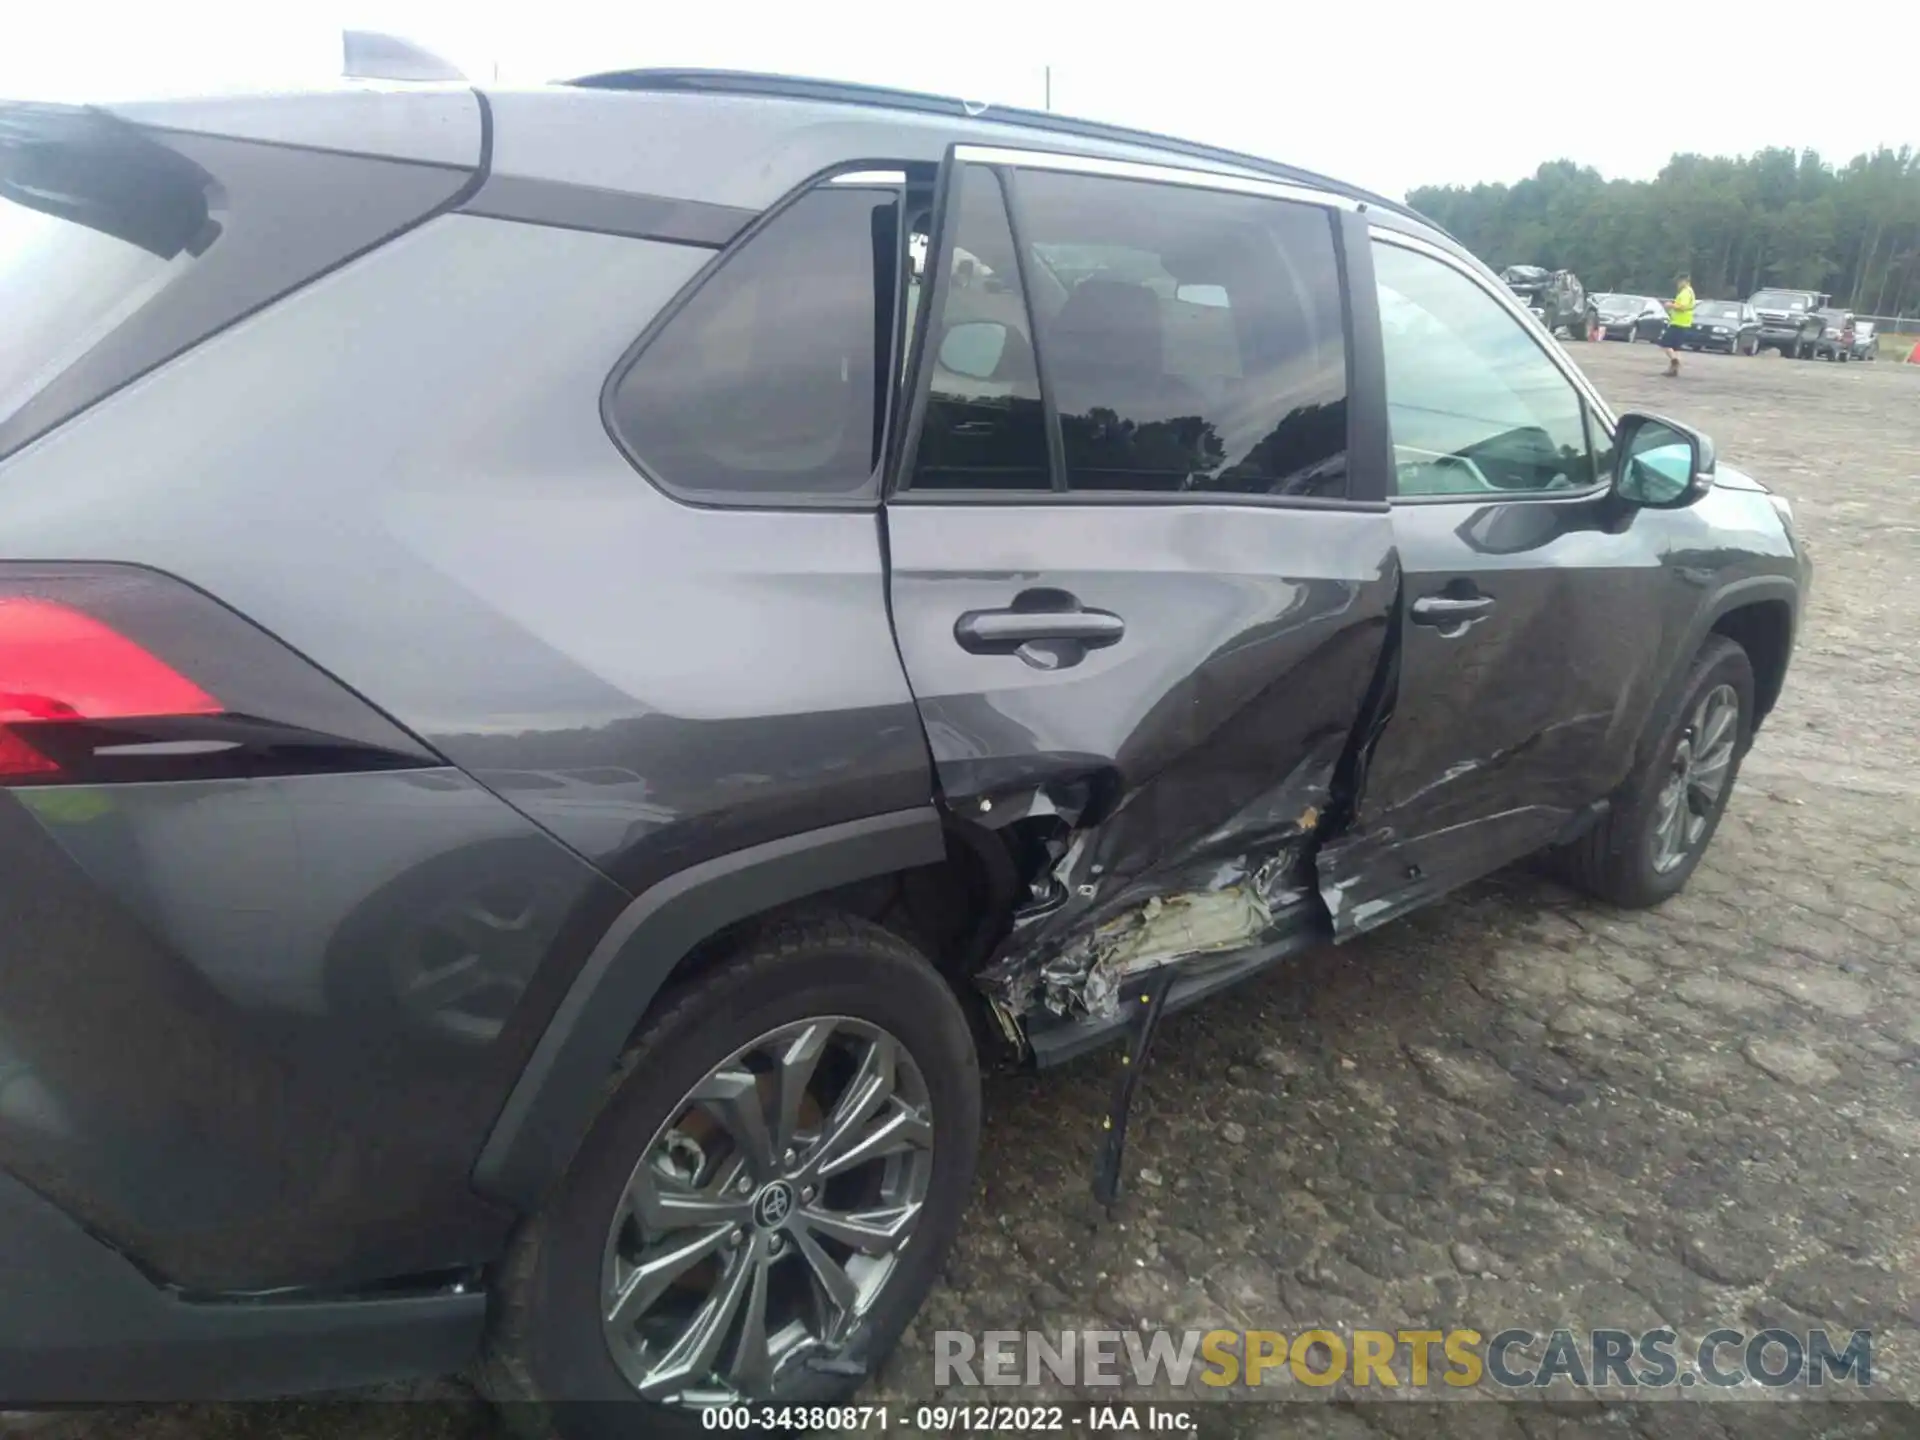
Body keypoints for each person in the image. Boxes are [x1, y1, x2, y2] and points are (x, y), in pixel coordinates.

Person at [1659, 272, 1696, 376]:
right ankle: (1674, 370)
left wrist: (1670, 305)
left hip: (1678, 323)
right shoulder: (1690, 292)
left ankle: (1675, 361)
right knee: (1676, 348)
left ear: (1684, 281)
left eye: (1679, 282)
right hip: (1684, 323)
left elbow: (1682, 306)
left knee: (1665, 344)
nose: (1677, 284)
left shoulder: (1685, 292)